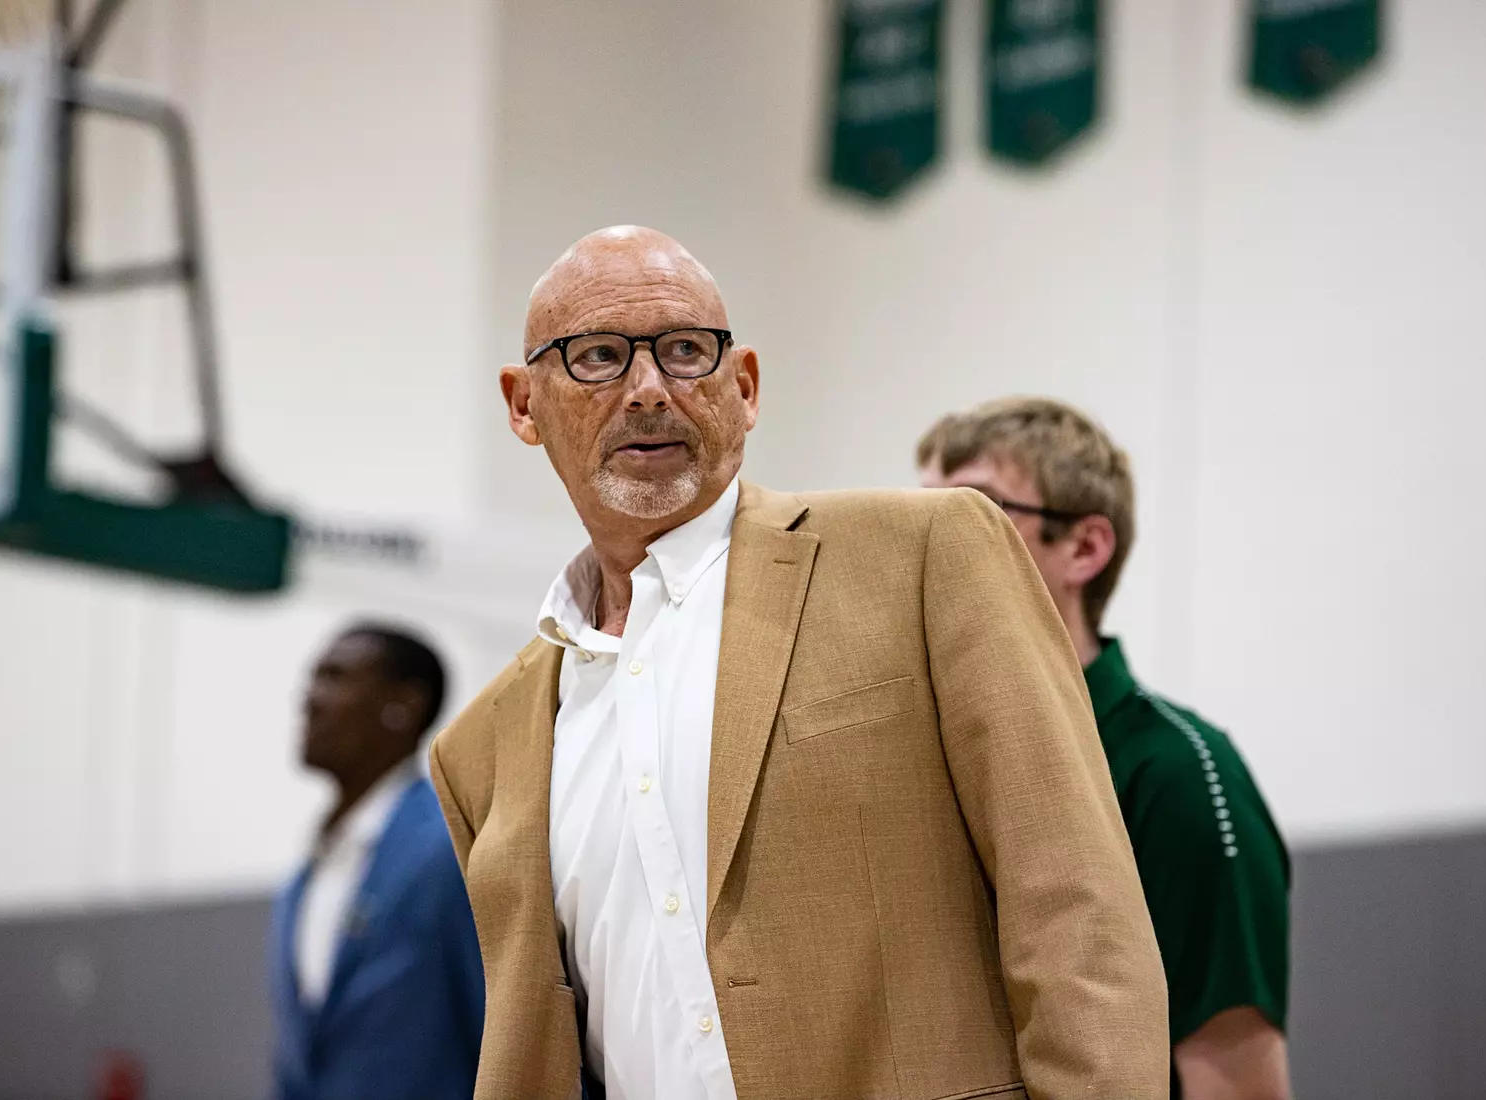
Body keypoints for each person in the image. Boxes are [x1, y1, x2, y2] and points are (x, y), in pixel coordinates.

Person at [428, 225, 1169, 1100]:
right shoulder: (482, 750)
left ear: (743, 387)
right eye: (596, 356)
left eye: (684, 351)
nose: (649, 390)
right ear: (523, 405)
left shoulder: (923, 556)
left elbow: (1080, 921)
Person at [918, 398, 1292, 1100]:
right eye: (924, 523)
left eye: (976, 515)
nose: (932, 554)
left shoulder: (1180, 773)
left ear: (1084, 548)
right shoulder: (918, 762)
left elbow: (1237, 1083)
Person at [269, 624, 484, 1100]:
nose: (310, 699)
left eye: (335, 677)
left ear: (401, 707)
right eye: (313, 679)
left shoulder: (450, 852)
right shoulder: (304, 881)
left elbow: (501, 1035)